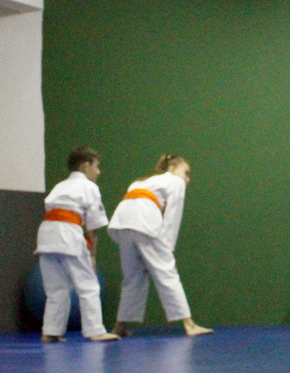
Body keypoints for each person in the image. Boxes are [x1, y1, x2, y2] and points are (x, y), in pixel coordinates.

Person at [107, 154, 213, 337]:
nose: (188, 179)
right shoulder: (174, 181)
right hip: (144, 222)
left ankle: (119, 326)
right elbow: (173, 215)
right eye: (186, 173)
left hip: (122, 223)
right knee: (167, 273)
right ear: (172, 169)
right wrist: (168, 250)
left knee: (132, 277)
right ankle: (189, 325)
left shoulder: (141, 181)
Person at [34, 146, 119, 343]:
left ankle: (51, 331)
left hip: (46, 236)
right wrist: (92, 254)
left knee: (56, 289)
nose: (98, 172)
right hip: (68, 235)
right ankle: (95, 331)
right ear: (85, 166)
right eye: (96, 166)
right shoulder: (89, 187)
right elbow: (93, 226)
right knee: (88, 285)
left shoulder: (60, 186)